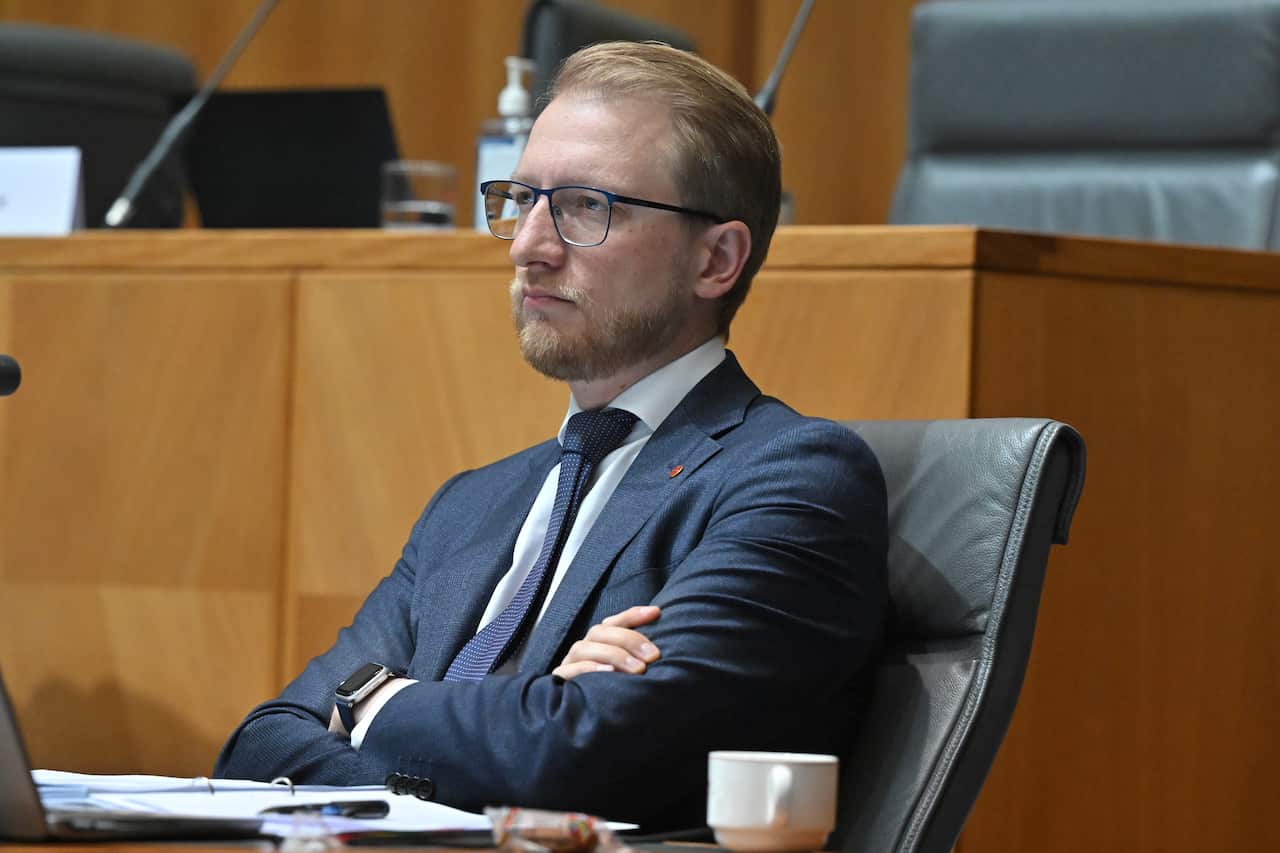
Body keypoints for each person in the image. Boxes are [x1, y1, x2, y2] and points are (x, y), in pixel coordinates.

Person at [215, 41, 887, 831]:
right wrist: (525, 708)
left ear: (715, 259)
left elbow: (573, 759)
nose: (528, 246)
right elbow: (260, 746)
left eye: (585, 207)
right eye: (521, 199)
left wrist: (370, 705)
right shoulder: (471, 504)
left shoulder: (792, 480)